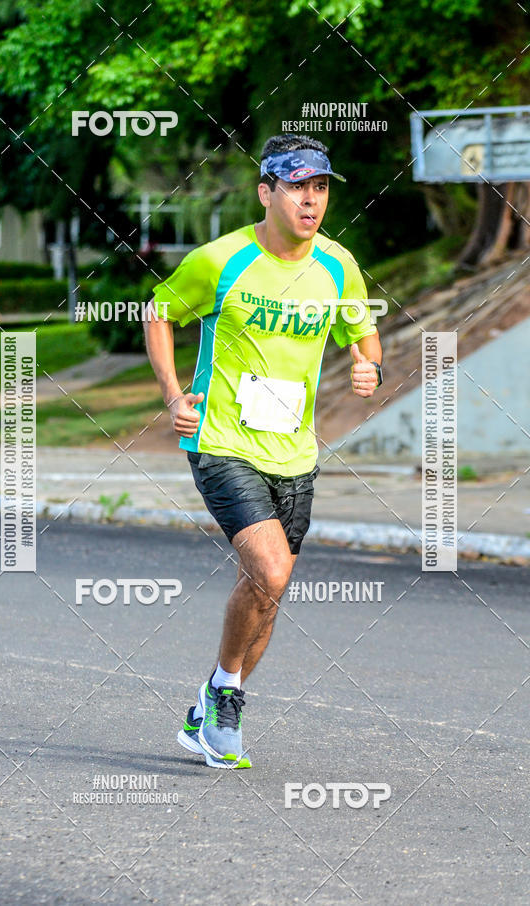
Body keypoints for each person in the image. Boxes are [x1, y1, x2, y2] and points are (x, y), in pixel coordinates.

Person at [144, 133, 383, 769]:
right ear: (265, 192)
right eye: (298, 186)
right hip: (219, 438)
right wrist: (173, 394)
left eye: (321, 187)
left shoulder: (338, 265)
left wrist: (371, 371)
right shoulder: (221, 260)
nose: (311, 200)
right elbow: (159, 311)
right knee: (270, 569)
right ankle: (225, 698)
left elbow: (366, 338)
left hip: (295, 451)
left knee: (268, 590)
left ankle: (212, 704)